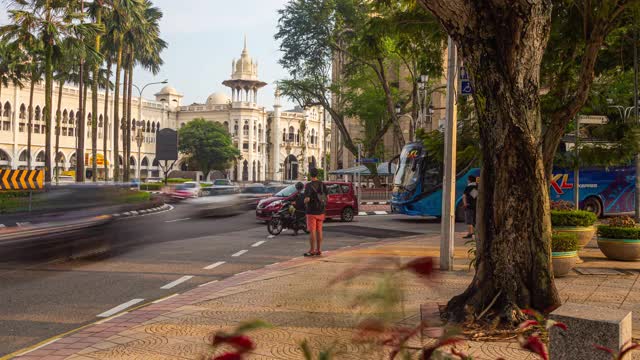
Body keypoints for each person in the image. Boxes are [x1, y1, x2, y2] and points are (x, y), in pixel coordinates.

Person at [304, 168, 328, 256]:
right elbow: (327, 197)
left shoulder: (308, 186)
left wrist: (304, 201)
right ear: (317, 174)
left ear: (311, 175)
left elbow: (307, 199)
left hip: (311, 211)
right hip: (321, 211)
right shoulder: (322, 184)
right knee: (319, 231)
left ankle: (312, 250)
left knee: (312, 231)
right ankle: (319, 249)